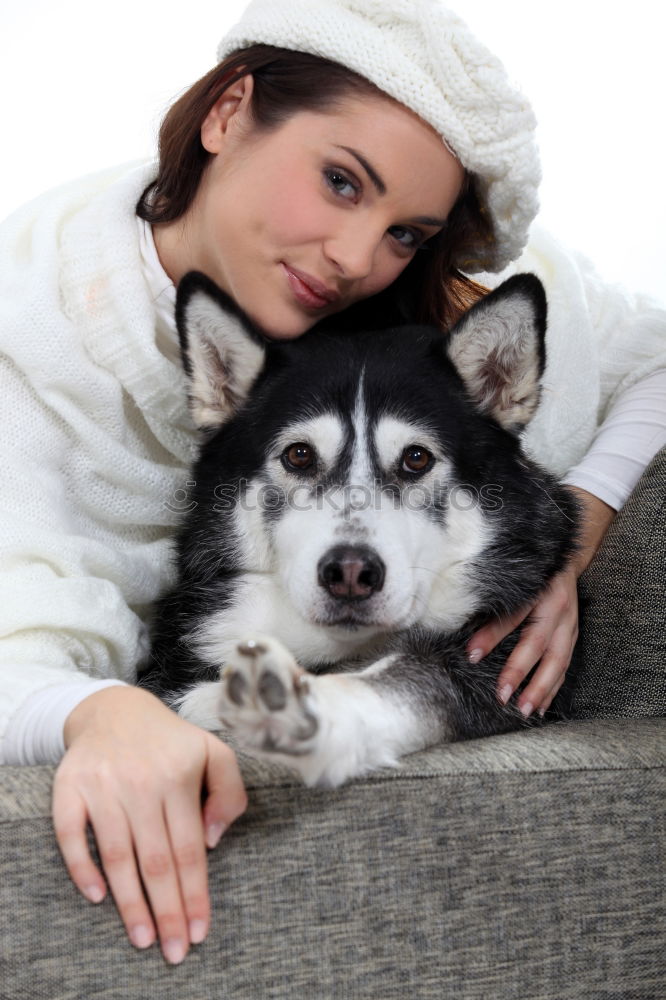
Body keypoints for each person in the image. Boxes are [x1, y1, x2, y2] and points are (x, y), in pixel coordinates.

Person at [1, 0, 664, 968]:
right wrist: (102, 713)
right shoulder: (34, 348)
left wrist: (580, 525)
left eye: (406, 232)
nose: (358, 260)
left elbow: (653, 352)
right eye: (341, 181)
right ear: (228, 113)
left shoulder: (437, 299)